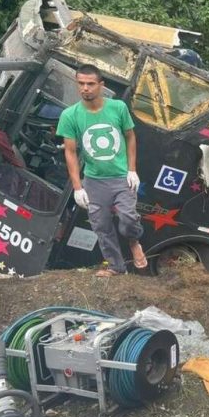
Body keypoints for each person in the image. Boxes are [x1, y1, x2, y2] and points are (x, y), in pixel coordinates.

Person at [57, 64, 147, 277]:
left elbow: (130, 136)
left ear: (100, 85)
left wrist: (132, 169)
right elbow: (70, 152)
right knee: (102, 227)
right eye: (81, 83)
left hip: (121, 178)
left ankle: (134, 242)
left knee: (128, 219)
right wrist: (78, 187)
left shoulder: (117, 108)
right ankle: (117, 267)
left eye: (90, 84)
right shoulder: (70, 115)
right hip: (94, 181)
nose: (85, 88)